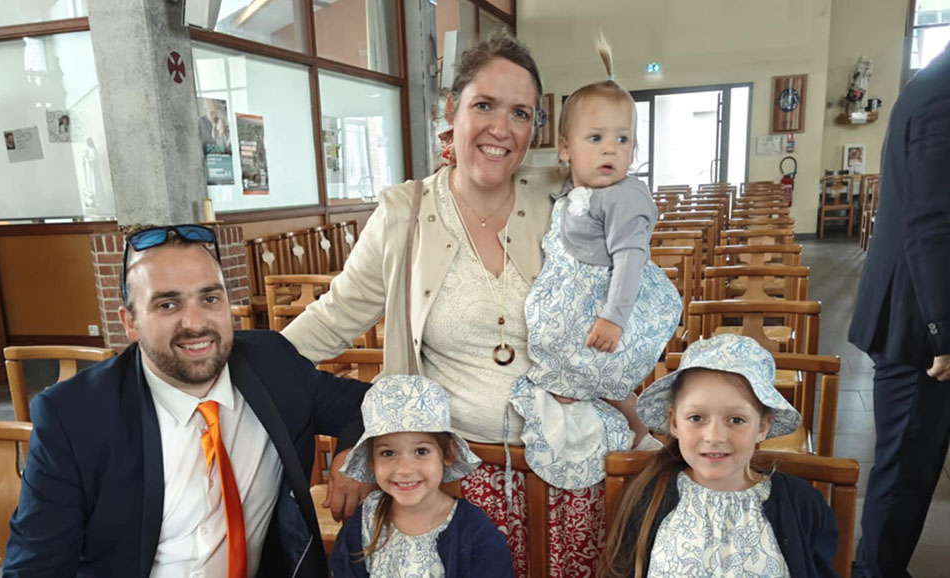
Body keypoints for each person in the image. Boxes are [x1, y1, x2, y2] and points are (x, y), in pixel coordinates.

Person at [283, 33, 601, 578]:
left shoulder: (562, 202)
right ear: (451, 109)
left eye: (520, 113)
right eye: (484, 105)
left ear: (536, 129)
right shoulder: (405, 214)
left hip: (566, 468)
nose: (501, 128)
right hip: (453, 475)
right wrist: (246, 363)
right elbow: (335, 317)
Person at [3, 225, 372, 578]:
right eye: (167, 305)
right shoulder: (74, 417)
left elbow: (364, 402)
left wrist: (354, 456)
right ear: (129, 322)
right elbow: (35, 568)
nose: (195, 323)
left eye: (210, 298)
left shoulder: (273, 365)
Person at [506, 35, 680, 491]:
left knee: (591, 372)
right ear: (565, 150)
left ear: (635, 150)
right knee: (590, 376)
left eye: (622, 139)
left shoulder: (622, 199)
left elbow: (629, 261)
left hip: (604, 304)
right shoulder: (580, 193)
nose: (610, 149)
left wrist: (612, 317)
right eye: (596, 138)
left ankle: (639, 430)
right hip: (577, 294)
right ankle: (636, 424)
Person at [600, 334, 838, 578]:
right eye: (696, 418)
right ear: (674, 422)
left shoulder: (802, 505)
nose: (714, 436)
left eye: (736, 420)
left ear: (762, 427)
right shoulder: (649, 496)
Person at [847, 40, 950, 578]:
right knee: (906, 466)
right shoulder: (942, 94)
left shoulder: (932, 83)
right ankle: (877, 570)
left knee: (915, 461)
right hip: (918, 324)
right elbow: (932, 221)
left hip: (917, 315)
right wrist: (944, 329)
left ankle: (882, 565)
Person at [330, 374, 512, 577]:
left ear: (448, 454)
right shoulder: (363, 524)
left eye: (421, 451)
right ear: (372, 460)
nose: (404, 469)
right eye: (387, 453)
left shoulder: (476, 533)